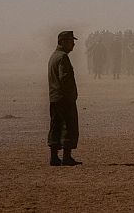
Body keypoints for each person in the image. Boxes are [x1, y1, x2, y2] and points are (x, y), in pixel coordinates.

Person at [47, 30, 82, 166]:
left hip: (55, 97)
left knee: (55, 126)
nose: (73, 44)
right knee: (69, 126)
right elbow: (65, 78)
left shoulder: (54, 56)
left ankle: (54, 157)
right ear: (62, 42)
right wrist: (71, 94)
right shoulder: (62, 57)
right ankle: (66, 157)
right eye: (70, 41)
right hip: (64, 98)